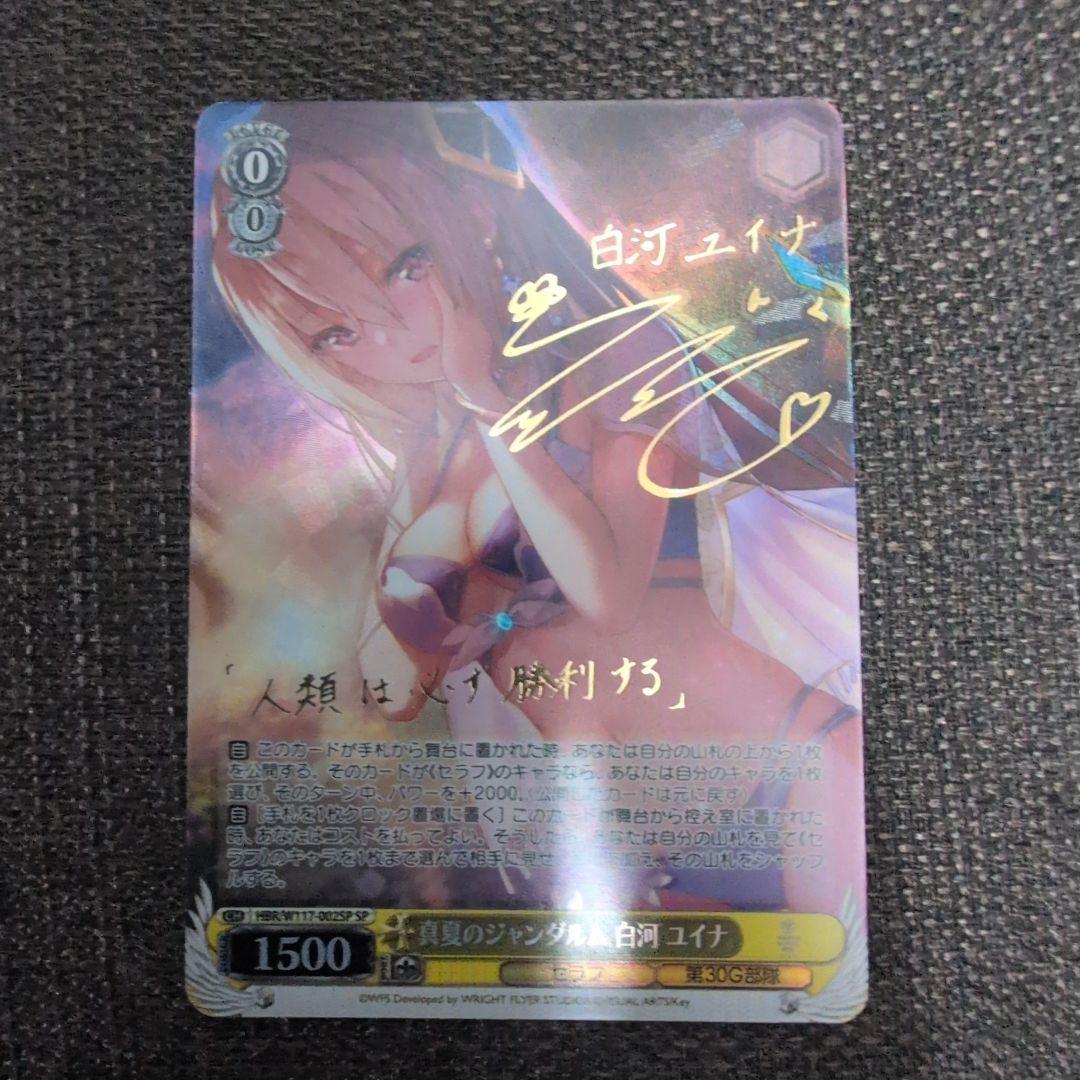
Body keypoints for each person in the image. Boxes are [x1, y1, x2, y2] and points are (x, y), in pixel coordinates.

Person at [211, 102, 863, 914]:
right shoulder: (426, 449)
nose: (392, 334)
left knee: (833, 988)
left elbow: (610, 595)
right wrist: (445, 595)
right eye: (335, 333)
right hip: (625, 853)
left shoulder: (613, 351)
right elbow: (394, 688)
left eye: (405, 268)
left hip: (786, 773)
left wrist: (488, 404)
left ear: (475, 212)